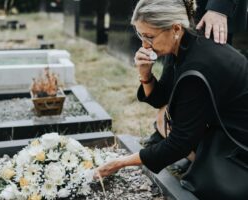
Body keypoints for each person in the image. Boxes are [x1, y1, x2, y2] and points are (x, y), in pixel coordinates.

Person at [94, 0, 248, 199]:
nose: (144, 44)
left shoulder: (198, 65)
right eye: (140, 35)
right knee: (163, 117)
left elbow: (179, 142)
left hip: (239, 146)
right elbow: (160, 99)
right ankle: (197, 157)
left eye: (149, 36)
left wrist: (119, 163)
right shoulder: (182, 44)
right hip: (223, 125)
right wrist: (145, 74)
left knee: (168, 124)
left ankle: (204, 161)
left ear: (175, 28)